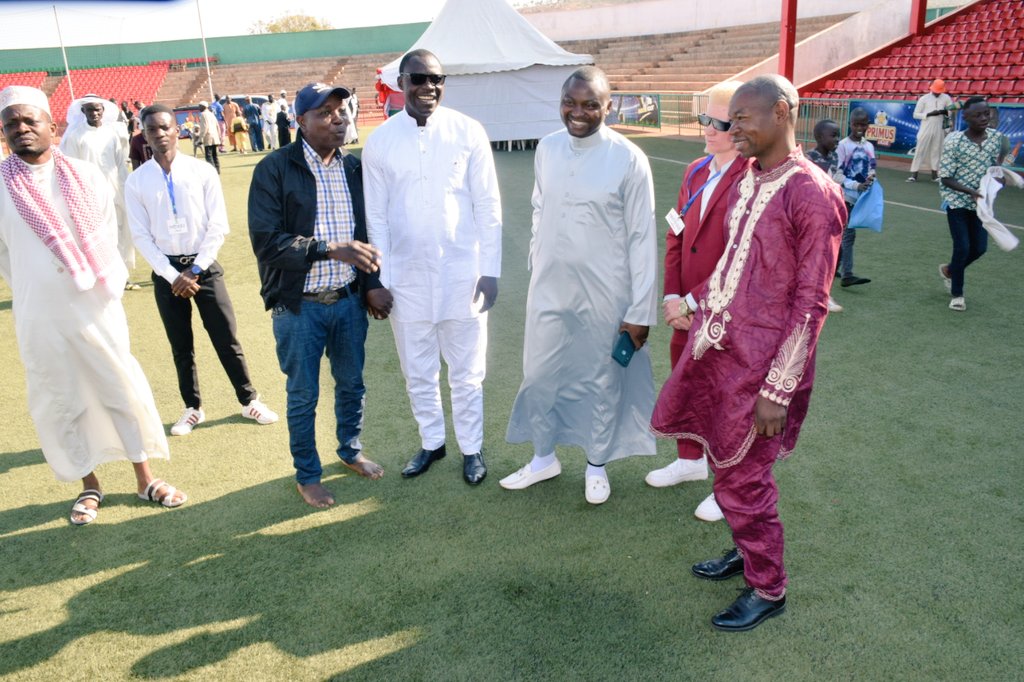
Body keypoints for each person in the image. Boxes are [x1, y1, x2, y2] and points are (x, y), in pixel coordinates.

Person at [650, 75, 845, 632]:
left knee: (746, 478)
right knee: (725, 462)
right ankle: (745, 550)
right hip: (720, 350)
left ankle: (768, 587)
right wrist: (693, 303)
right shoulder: (751, 179)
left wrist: (778, 390)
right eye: (729, 119)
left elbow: (811, 302)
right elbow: (731, 267)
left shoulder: (812, 192)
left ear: (781, 112)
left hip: (764, 371)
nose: (733, 128)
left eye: (742, 118)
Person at [0, 86, 187, 525]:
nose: (21, 129)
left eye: (30, 120)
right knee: (61, 396)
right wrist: (35, 283)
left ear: (52, 126)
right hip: (38, 310)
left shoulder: (84, 175)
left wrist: (95, 283)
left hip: (96, 303)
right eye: (11, 124)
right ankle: (89, 484)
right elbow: (4, 256)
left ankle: (144, 478)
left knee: (118, 384)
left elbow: (107, 233)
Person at [500, 66, 657, 504]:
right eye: (570, 102)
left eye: (591, 104)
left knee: (601, 378)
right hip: (549, 286)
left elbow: (642, 236)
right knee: (539, 374)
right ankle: (543, 457)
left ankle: (596, 465)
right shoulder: (547, 147)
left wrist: (640, 311)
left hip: (606, 291)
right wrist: (538, 258)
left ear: (609, 106)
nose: (578, 112)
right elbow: (539, 206)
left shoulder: (629, 158)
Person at [248, 82, 391, 509]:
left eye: (341, 110)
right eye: (325, 112)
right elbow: (266, 242)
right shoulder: (274, 169)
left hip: (347, 302)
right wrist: (328, 249)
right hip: (298, 308)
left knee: (352, 385)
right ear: (301, 121)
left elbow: (367, 233)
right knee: (303, 395)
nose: (337, 118)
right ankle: (308, 475)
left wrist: (371, 284)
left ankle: (349, 451)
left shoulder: (354, 169)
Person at [363, 50, 501, 486]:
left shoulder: (468, 131)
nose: (429, 87)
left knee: (468, 373)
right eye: (419, 78)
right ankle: (432, 442)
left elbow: (487, 204)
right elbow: (376, 217)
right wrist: (379, 280)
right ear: (401, 83)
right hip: (405, 279)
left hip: (463, 274)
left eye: (437, 79)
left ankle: (472, 449)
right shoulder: (380, 141)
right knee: (418, 372)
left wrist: (490, 268)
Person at [125, 104, 279, 437]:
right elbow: (140, 236)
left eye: (165, 127)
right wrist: (172, 276)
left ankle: (249, 399)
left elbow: (218, 225)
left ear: (177, 129)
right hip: (167, 273)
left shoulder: (202, 171)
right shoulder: (136, 181)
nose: (159, 134)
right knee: (181, 345)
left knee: (226, 337)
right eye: (152, 129)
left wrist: (194, 270)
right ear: (144, 135)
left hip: (203, 268)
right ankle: (192, 407)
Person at [644, 80, 748, 522]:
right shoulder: (695, 169)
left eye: (717, 123)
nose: (707, 128)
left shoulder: (753, 177)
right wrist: (672, 295)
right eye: (704, 118)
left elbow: (740, 257)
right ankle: (690, 460)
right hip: (684, 309)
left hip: (725, 313)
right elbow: (676, 234)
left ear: (740, 127)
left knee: (725, 397)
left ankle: (730, 487)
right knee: (686, 382)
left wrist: (690, 301)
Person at [938, 96, 1009, 312]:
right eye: (977, 115)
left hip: (981, 204)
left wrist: (998, 176)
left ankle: (950, 270)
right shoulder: (954, 142)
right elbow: (945, 178)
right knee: (962, 247)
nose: (984, 118)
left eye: (986, 113)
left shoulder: (996, 138)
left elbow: (997, 162)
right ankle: (957, 294)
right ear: (966, 117)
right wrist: (969, 191)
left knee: (979, 248)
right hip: (957, 201)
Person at [59, 95, 137, 288]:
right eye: (90, 110)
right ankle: (103, 275)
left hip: (115, 189)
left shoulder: (112, 133)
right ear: (83, 111)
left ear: (103, 111)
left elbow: (120, 164)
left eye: (97, 109)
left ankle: (122, 276)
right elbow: (71, 168)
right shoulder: (75, 136)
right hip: (88, 193)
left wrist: (125, 188)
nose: (94, 113)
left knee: (120, 231)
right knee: (100, 234)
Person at [806, 118, 845, 314]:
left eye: (838, 135)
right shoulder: (808, 158)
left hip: (830, 212)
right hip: (812, 215)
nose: (837, 139)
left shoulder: (835, 157)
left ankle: (824, 292)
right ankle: (814, 294)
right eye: (833, 135)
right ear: (820, 137)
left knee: (835, 253)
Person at [835, 107, 875, 288]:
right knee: (848, 235)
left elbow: (871, 168)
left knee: (842, 234)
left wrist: (871, 178)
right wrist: (856, 185)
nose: (859, 128)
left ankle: (834, 267)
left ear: (868, 125)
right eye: (856, 124)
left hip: (860, 199)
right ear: (850, 124)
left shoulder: (868, 146)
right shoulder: (843, 145)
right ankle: (847, 275)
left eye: (863, 124)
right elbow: (837, 175)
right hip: (844, 197)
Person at [908, 79, 953, 183]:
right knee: (920, 149)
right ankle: (914, 174)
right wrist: (929, 114)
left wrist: (944, 111)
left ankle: (934, 175)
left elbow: (950, 111)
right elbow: (915, 114)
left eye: (939, 91)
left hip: (939, 127)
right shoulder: (924, 98)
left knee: (936, 150)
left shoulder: (946, 98)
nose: (937, 93)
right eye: (936, 91)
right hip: (926, 126)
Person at [197, 101, 221, 174]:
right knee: (215, 155)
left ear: (203, 106)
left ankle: (212, 172)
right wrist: (219, 135)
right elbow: (217, 125)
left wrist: (201, 138)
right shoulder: (211, 114)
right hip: (215, 136)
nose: (199, 108)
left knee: (209, 156)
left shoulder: (203, 114)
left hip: (208, 137)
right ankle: (217, 170)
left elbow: (204, 127)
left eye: (199, 106)